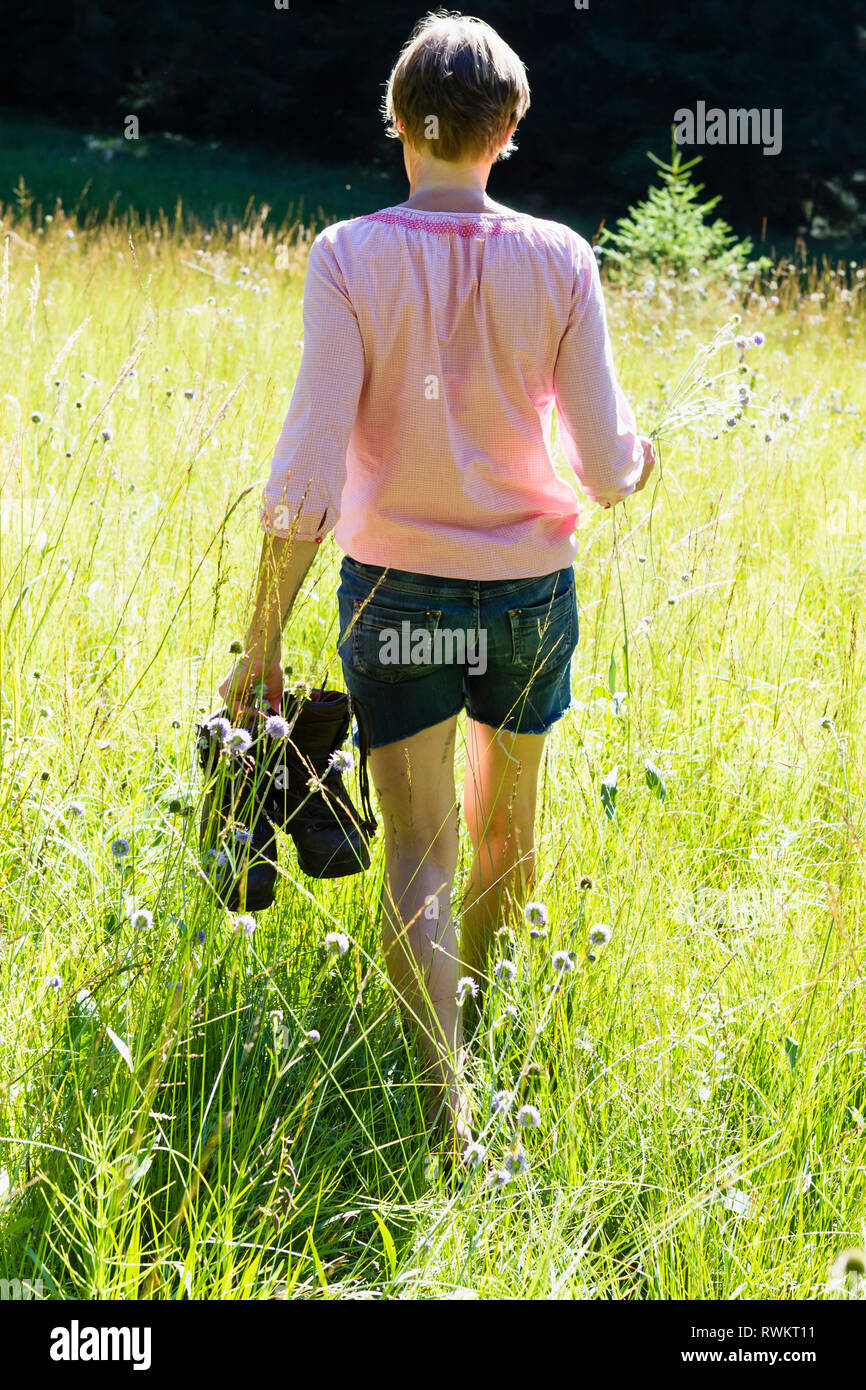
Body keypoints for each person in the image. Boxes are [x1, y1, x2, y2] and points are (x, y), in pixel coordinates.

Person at [219, 10, 655, 1158]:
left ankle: (443, 1103)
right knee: (503, 837)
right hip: (525, 595)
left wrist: (257, 636)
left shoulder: (347, 255)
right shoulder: (561, 257)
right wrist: (639, 458)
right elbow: (610, 473)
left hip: (394, 595)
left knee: (416, 847)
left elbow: (305, 470)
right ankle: (470, 1038)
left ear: (396, 125)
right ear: (507, 129)